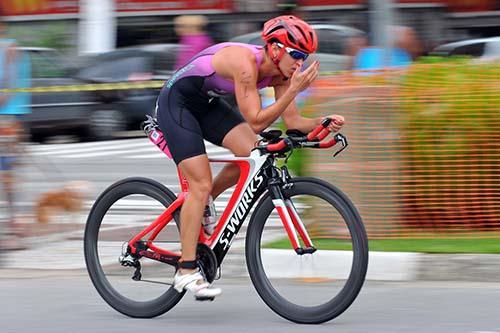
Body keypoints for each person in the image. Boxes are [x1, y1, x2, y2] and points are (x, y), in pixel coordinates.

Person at [156, 15, 345, 299]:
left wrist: (323, 122)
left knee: (255, 153)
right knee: (200, 183)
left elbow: (292, 121)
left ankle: (205, 202)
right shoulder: (245, 64)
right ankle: (186, 271)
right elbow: (256, 121)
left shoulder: (282, 74)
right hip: (177, 103)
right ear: (276, 49)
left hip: (206, 104)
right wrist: (294, 89)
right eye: (296, 55)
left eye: (304, 57)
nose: (300, 63)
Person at [0, 14, 30, 251]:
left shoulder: (8, 49)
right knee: (8, 173)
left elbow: (6, 88)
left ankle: (15, 225)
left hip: (7, 118)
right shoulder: (14, 48)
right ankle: (14, 223)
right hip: (14, 117)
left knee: (7, 173)